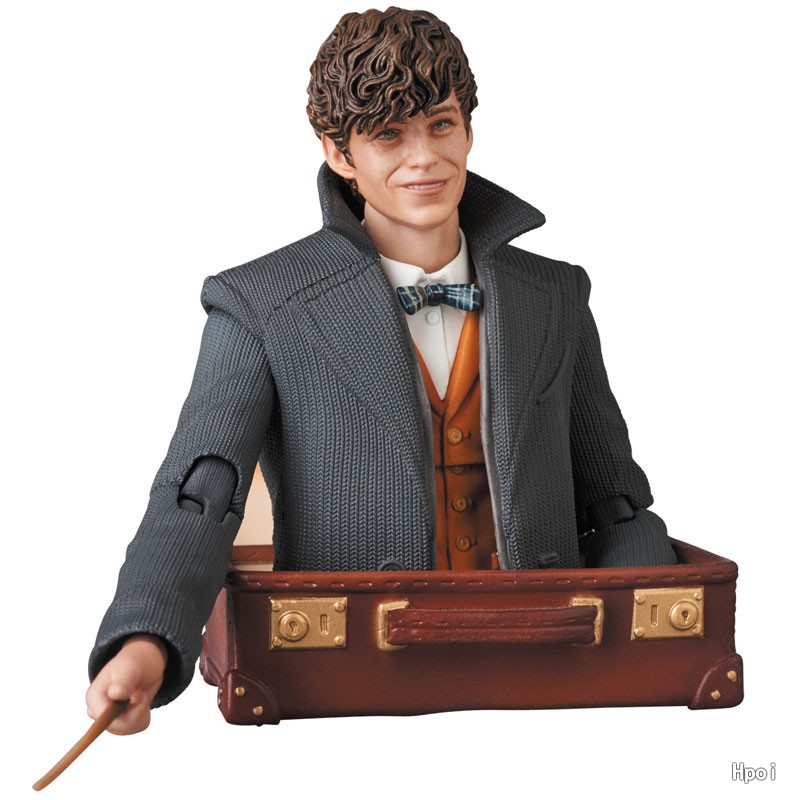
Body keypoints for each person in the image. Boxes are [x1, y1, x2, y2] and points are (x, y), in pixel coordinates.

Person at [86, 6, 677, 735]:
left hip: (548, 680)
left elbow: (614, 500)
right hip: (345, 687)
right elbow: (200, 495)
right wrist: (145, 639)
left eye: (441, 125)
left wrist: (658, 639)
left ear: (468, 130)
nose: (424, 159)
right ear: (339, 153)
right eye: (388, 135)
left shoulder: (554, 295)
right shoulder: (262, 304)